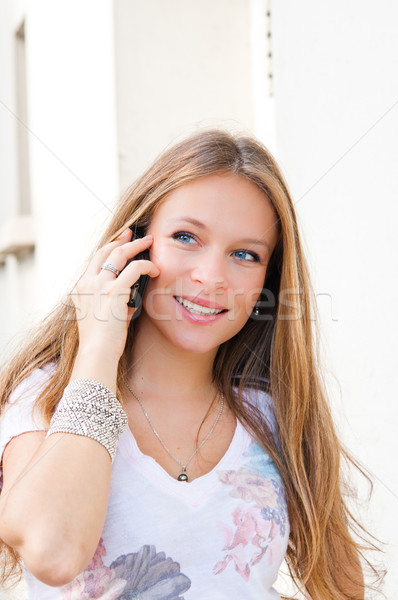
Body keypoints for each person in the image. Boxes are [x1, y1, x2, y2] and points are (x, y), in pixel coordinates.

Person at [0, 130, 380, 599]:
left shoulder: (272, 415)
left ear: (268, 277)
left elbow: (342, 589)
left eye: (245, 254)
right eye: (186, 237)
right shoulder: (48, 398)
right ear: (134, 245)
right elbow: (52, 552)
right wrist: (97, 351)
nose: (212, 277)